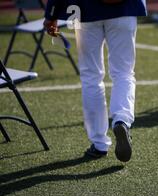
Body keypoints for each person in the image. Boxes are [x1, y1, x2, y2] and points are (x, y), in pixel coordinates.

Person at [44, 0, 147, 162]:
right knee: (124, 73)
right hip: (124, 8)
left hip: (84, 10)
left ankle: (99, 143)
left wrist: (51, 14)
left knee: (91, 77)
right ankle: (122, 120)